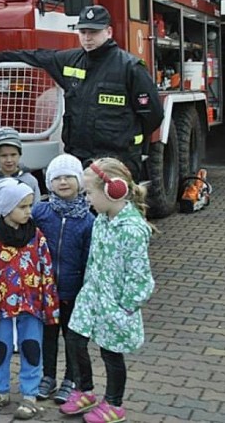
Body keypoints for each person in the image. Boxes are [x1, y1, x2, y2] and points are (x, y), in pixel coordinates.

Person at [0, 5, 163, 179]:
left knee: (117, 214)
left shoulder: (130, 67)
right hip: (79, 158)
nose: (87, 38)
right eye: (83, 31)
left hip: (117, 160)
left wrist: (127, 140)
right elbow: (37, 56)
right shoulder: (71, 59)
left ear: (108, 32)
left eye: (93, 32)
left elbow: (153, 115)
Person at [59, 158, 155, 423]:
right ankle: (84, 389)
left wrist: (126, 305)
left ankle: (114, 404)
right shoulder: (100, 219)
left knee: (110, 353)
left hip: (116, 302)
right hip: (92, 295)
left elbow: (141, 277)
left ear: (113, 190)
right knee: (74, 338)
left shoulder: (132, 230)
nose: (87, 199)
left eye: (90, 193)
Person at [0, 178, 60, 420]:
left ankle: (30, 395)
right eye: (22, 207)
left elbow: (46, 271)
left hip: (32, 305)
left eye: (30, 206)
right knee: (1, 348)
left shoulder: (36, 236)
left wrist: (50, 305)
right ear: (5, 208)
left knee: (32, 348)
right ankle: (0, 391)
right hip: (2, 307)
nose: (28, 212)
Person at [31, 154, 94, 405]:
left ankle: (71, 378)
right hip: (45, 289)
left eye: (69, 177)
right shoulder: (41, 212)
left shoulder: (88, 220)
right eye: (57, 177)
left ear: (80, 181)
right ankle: (48, 375)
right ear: (49, 182)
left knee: (73, 338)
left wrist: (86, 288)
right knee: (47, 335)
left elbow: (90, 259)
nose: (63, 182)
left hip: (73, 291)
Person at [0, 127, 41, 231]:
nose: (9, 160)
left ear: (20, 154)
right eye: (3, 155)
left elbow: (36, 207)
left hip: (21, 232)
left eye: (13, 155)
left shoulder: (30, 180)